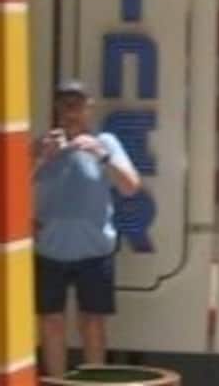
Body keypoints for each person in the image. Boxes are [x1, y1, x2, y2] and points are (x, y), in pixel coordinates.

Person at [33, 80, 143, 378]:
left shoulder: (106, 142)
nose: (71, 112)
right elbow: (13, 189)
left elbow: (131, 186)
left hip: (95, 250)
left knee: (93, 322)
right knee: (51, 322)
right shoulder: (42, 144)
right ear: (57, 109)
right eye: (66, 105)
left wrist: (101, 155)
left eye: (78, 105)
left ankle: (94, 381)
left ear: (89, 108)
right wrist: (41, 158)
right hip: (50, 249)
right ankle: (56, 381)